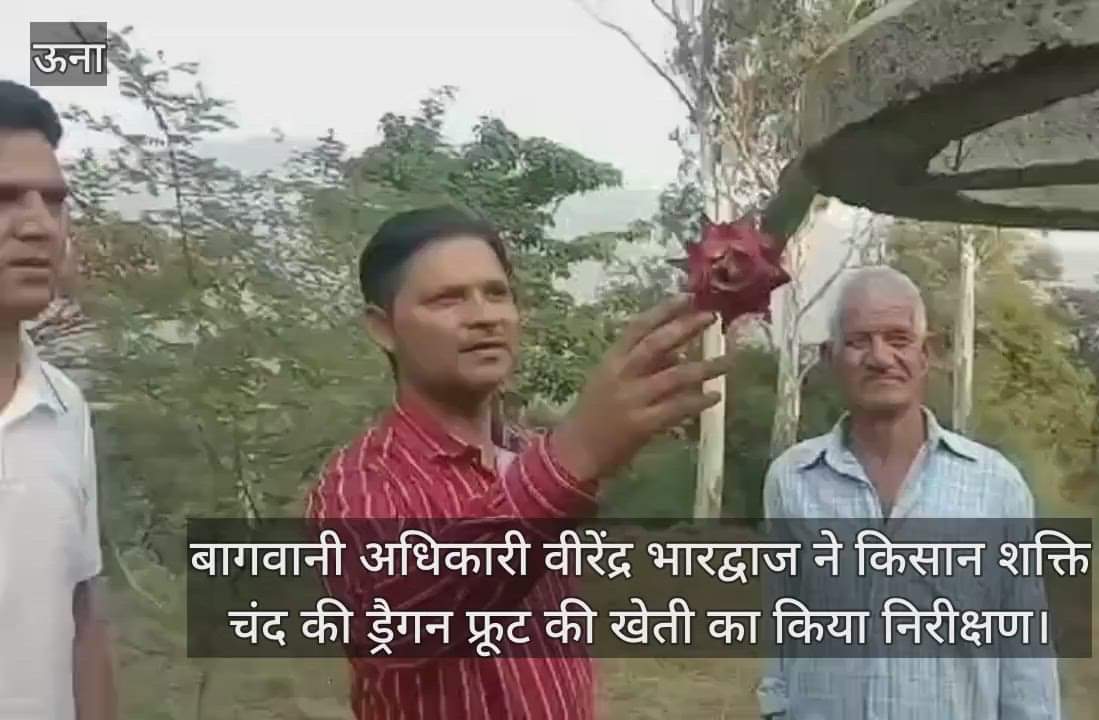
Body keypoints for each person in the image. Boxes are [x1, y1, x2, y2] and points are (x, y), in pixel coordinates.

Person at [307, 205, 730, 720]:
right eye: (447, 299)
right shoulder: (360, 483)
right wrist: (573, 456)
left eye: (497, 293)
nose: (484, 315)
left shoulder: (531, 454)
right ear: (383, 327)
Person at [757, 266, 1061, 719]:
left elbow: (1026, 661)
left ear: (926, 353)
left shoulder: (995, 487)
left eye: (898, 339)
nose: (880, 358)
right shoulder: (793, 481)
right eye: (859, 341)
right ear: (829, 356)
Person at [0, 81, 116, 720]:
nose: (39, 226)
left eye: (55, 202)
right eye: (5, 199)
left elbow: (82, 618)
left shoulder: (63, 406)